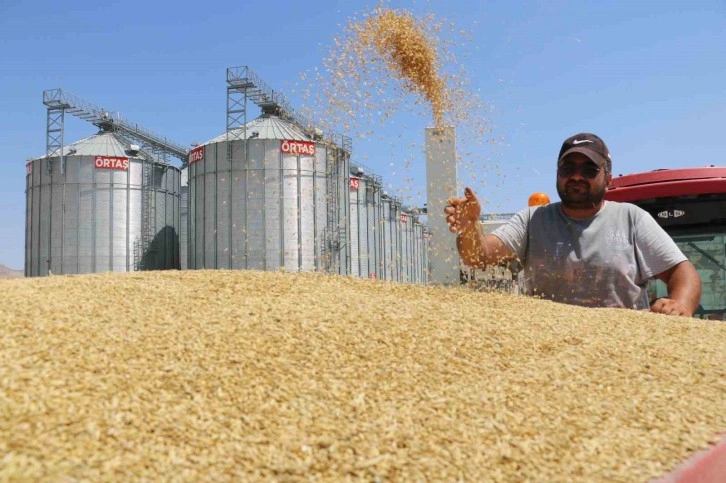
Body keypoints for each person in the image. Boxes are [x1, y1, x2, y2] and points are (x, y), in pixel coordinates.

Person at [444, 132, 702, 317]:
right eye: (568, 168)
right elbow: (479, 256)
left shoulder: (631, 219)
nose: (576, 176)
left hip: (624, 348)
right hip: (549, 345)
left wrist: (679, 305)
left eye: (589, 169)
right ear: (557, 173)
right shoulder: (533, 219)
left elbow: (682, 272)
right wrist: (470, 227)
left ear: (608, 178)